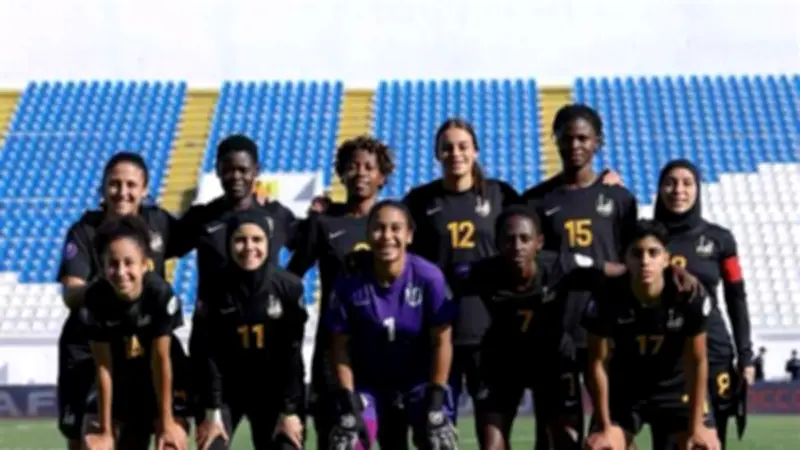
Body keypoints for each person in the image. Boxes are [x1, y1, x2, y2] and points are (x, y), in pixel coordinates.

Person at [456, 205, 626, 450]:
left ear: (539, 243)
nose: (517, 246)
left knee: (566, 441)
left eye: (525, 239)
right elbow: (437, 281)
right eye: (509, 239)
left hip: (552, 362)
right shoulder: (479, 272)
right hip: (502, 363)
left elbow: (617, 272)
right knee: (491, 445)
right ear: (497, 243)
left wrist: (666, 270)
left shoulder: (561, 265)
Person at [56, 152, 189, 450]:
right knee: (85, 438)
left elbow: (205, 234)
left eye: (131, 184)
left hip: (143, 342)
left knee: (160, 433)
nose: (122, 192)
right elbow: (71, 295)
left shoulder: (159, 222)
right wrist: (110, 289)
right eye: (114, 184)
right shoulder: (85, 230)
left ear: (144, 189)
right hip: (88, 344)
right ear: (103, 188)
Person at [521, 104, 637, 443]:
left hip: (609, 329)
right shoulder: (536, 201)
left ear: (597, 142)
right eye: (567, 138)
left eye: (583, 138)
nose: (575, 145)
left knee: (610, 434)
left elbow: (633, 260)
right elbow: (536, 259)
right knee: (559, 435)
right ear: (555, 140)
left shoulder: (620, 199)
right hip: (556, 330)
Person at [402, 118, 518, 437]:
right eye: (448, 147)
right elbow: (392, 239)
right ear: (437, 153)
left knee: (494, 437)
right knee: (433, 435)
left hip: (489, 333)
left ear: (475, 151)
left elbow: (537, 222)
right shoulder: (419, 201)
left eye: (463, 146)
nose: (456, 154)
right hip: (436, 332)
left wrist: (605, 183)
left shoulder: (500, 194)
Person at [287, 135, 395, 450]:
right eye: (353, 166)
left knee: (390, 436)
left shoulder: (393, 223)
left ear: (382, 176)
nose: (360, 173)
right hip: (333, 349)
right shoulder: (325, 223)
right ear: (342, 173)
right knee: (334, 437)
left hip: (383, 346)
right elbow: (292, 277)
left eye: (369, 167)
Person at [326, 200, 458, 450]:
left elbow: (442, 341)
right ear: (368, 234)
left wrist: (436, 396)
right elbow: (339, 347)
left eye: (396, 228)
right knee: (348, 441)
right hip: (369, 383)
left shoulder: (429, 277)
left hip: (418, 381)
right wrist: (348, 399)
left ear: (409, 235)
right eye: (379, 228)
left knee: (439, 440)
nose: (387, 236)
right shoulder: (349, 281)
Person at [584, 220, 719, 450]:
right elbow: (598, 363)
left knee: (702, 446)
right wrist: (605, 426)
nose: (645, 261)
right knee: (601, 447)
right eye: (637, 253)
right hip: (625, 389)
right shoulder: (606, 296)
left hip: (676, 388)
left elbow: (697, 361)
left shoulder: (689, 295)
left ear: (666, 259)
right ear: (625, 258)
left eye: (653, 253)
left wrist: (697, 426)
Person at [654, 159, 754, 448]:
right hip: (666, 356)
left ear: (697, 189)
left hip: (714, 351)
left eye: (687, 183)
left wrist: (745, 355)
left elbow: (736, 298)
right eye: (671, 183)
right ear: (659, 189)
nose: (678, 190)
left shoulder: (720, 239)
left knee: (711, 442)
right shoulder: (647, 238)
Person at [191, 211, 306, 450]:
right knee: (212, 446)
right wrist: (212, 409)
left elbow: (292, 355)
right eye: (240, 240)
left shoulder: (289, 286)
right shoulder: (213, 287)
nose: (249, 247)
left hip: (273, 391)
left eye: (257, 239)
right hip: (226, 390)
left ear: (268, 242)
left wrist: (289, 410)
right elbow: (206, 351)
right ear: (229, 243)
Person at [80, 216, 187, 450]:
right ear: (102, 266)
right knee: (95, 445)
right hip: (121, 380)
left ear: (145, 264)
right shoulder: (95, 299)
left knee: (171, 443)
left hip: (161, 380)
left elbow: (161, 360)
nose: (121, 272)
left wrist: (167, 423)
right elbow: (104, 367)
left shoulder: (160, 295)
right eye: (113, 263)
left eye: (129, 263)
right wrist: (105, 431)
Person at [170, 134, 297, 285]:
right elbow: (163, 248)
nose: (236, 176)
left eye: (243, 170)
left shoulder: (276, 214)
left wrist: (288, 283)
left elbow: (310, 245)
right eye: (229, 170)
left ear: (256, 170)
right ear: (218, 170)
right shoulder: (202, 217)